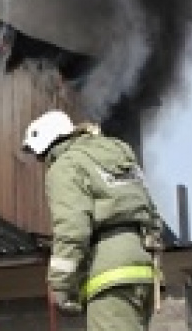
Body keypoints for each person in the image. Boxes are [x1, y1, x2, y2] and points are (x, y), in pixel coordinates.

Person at [21, 110, 164, 331]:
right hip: (143, 271)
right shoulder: (117, 153)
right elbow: (151, 214)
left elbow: (72, 228)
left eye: (41, 156)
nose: (43, 162)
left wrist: (60, 283)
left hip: (109, 275)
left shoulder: (66, 166)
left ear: (48, 146)